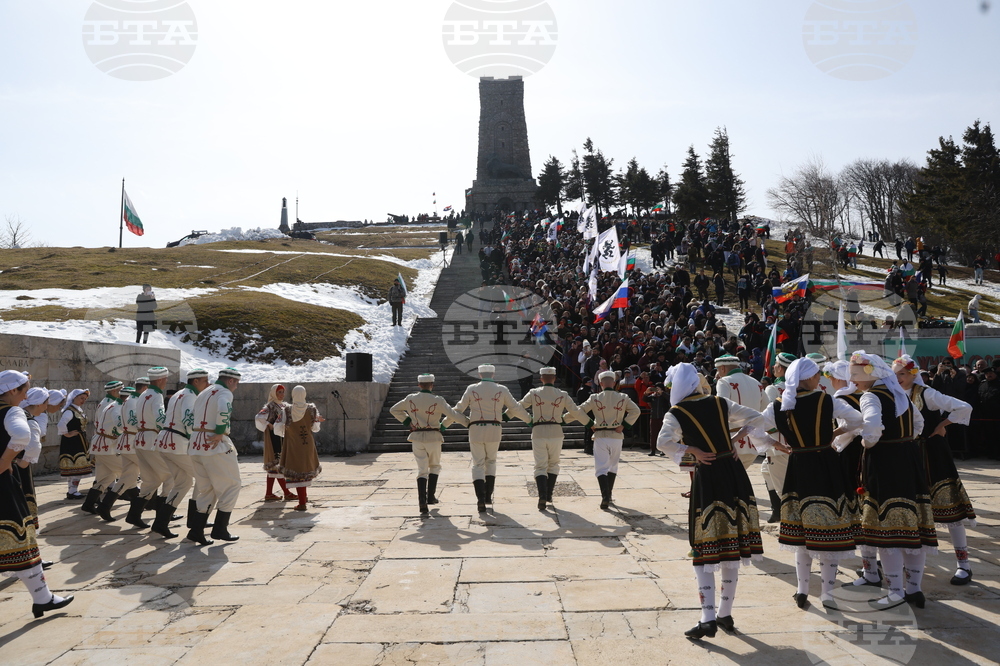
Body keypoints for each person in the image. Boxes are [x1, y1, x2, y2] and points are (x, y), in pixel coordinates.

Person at [655, 363, 768, 639]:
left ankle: (707, 618)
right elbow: (757, 417)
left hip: (708, 476)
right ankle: (725, 614)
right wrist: (735, 438)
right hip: (733, 472)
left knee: (705, 546)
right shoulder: (719, 402)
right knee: (731, 543)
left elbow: (662, 442)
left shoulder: (677, 412)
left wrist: (691, 449)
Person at [754, 358, 863, 610]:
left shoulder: (779, 404)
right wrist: (834, 433)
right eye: (817, 376)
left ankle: (802, 590)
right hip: (826, 466)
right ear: (811, 378)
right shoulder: (827, 400)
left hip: (799, 466)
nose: (819, 380)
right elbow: (857, 420)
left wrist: (775, 444)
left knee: (801, 533)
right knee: (830, 532)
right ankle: (827, 593)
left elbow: (754, 427)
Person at [848, 352, 936, 610]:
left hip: (885, 464)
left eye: (855, 375)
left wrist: (867, 442)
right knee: (911, 527)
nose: (853, 381)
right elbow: (919, 423)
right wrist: (903, 441)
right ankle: (914, 589)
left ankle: (896, 592)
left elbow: (872, 428)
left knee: (887, 531)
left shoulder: (871, 396)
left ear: (870, 374)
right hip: (909, 460)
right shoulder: (900, 395)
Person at [893, 356, 976, 586]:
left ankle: (963, 564)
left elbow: (964, 407)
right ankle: (907, 560)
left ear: (913, 374)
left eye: (902, 373)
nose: (897, 378)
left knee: (950, 510)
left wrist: (942, 425)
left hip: (932, 454)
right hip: (907, 457)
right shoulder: (893, 394)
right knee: (908, 509)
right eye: (895, 374)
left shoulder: (926, 393)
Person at [0, 370, 74, 618]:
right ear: (12, 390)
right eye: (23, 391)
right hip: (3, 485)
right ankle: (42, 598)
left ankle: (43, 598)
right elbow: (22, 436)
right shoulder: (12, 412)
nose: (24, 398)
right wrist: (4, 461)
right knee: (22, 540)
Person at [454, 365, 530, 512]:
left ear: (479, 374)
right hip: (494, 429)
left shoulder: (471, 389)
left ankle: (480, 499)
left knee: (478, 464)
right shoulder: (502, 389)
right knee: (491, 461)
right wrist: (529, 420)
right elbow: (515, 407)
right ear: (493, 374)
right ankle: (488, 496)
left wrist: (463, 422)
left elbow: (458, 409)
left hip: (476, 429)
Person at [389, 374, 468, 515]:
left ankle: (422, 502)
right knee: (435, 466)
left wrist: (408, 422)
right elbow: (453, 414)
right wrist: (468, 423)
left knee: (422, 470)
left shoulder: (410, 398)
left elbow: (393, 409)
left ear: (419, 385)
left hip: (417, 437)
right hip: (434, 437)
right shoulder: (438, 400)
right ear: (432, 385)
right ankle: (430, 497)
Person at [188, 368, 244, 545]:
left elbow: (191, 414)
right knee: (232, 485)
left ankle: (196, 530)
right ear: (231, 381)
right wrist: (220, 431)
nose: (236, 387)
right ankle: (220, 529)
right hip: (214, 444)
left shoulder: (204, 392)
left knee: (207, 489)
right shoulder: (224, 392)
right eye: (236, 383)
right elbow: (223, 408)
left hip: (196, 444)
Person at [518, 367, 586, 510]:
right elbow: (576, 411)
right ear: (554, 378)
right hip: (556, 431)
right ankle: (548, 495)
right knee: (553, 463)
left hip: (538, 431)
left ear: (541, 379)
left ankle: (542, 496)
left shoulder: (534, 393)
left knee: (540, 465)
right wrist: (587, 423)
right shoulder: (562, 394)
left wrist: (527, 419)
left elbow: (518, 407)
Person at [153, 369, 210, 539]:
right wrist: (197, 440)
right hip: (177, 444)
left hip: (166, 442)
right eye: (205, 381)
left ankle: (161, 522)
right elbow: (188, 420)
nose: (207, 384)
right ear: (196, 381)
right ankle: (195, 521)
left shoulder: (178, 394)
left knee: (183, 483)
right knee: (204, 477)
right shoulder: (191, 397)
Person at [577, 371, 641, 510]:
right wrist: (624, 425)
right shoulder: (623, 397)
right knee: (613, 466)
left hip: (600, 436)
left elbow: (578, 411)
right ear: (614, 383)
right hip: (616, 436)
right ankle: (609, 495)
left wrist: (589, 423)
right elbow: (636, 411)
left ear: (600, 383)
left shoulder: (594, 397)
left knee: (601, 468)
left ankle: (605, 497)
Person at [129, 367, 171, 530]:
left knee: (151, 480)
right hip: (151, 440)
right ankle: (162, 518)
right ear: (160, 380)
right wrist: (167, 430)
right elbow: (160, 417)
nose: (166, 381)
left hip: (140, 439)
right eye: (165, 379)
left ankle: (134, 515)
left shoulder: (143, 394)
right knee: (170, 477)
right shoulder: (157, 395)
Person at [714, 354, 766, 470]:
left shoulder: (724, 382)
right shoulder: (756, 382)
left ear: (722, 368)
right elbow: (766, 409)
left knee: (725, 478)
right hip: (753, 444)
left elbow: (721, 410)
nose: (717, 373)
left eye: (718, 370)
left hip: (733, 443)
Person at [277, 386, 325, 511]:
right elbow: (315, 428)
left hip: (293, 444)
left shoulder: (287, 410)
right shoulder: (312, 409)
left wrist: (287, 431)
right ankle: (304, 498)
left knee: (297, 472)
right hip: (307, 444)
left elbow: (278, 428)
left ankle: (302, 502)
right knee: (305, 470)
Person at [761, 353, 795, 523]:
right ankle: (777, 510)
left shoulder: (773, 389)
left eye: (775, 364)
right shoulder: (801, 386)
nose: (773, 367)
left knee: (783, 488)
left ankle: (789, 519)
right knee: (765, 470)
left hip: (779, 444)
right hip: (794, 443)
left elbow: (768, 420)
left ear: (781, 368)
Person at [85, 381, 125, 519]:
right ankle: (107, 505)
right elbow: (116, 426)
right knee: (127, 474)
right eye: (121, 389)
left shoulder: (106, 403)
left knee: (106, 477)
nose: (123, 392)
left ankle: (89, 503)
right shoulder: (112, 405)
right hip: (108, 445)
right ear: (114, 391)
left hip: (103, 444)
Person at [255, 384, 294, 502]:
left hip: (283, 436)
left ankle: (269, 493)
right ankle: (286, 492)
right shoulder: (270, 406)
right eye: (279, 392)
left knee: (274, 465)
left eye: (283, 392)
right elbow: (259, 417)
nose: (282, 394)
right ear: (274, 393)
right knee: (276, 463)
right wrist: (269, 424)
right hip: (274, 438)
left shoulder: (285, 406)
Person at [116, 379, 146, 512]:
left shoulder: (130, 400)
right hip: (133, 441)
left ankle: (105, 505)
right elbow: (133, 421)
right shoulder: (134, 401)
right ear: (145, 388)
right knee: (151, 473)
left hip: (127, 441)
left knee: (128, 476)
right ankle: (152, 504)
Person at [58, 388, 93, 499]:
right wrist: (67, 434)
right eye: (81, 398)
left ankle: (72, 490)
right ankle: (72, 491)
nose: (83, 400)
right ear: (74, 398)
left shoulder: (77, 410)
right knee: (75, 465)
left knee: (76, 466)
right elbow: (61, 424)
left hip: (79, 440)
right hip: (72, 442)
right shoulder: (69, 411)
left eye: (85, 399)